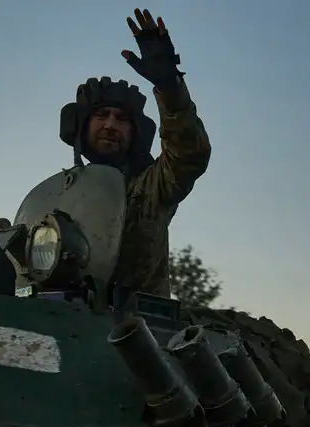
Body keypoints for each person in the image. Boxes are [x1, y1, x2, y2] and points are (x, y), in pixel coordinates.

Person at [59, 8, 211, 298]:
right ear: (82, 126)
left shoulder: (151, 187)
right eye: (101, 115)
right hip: (70, 317)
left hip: (137, 328)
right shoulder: (65, 193)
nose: (111, 125)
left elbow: (188, 154)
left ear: (135, 133)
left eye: (122, 119)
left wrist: (169, 86)